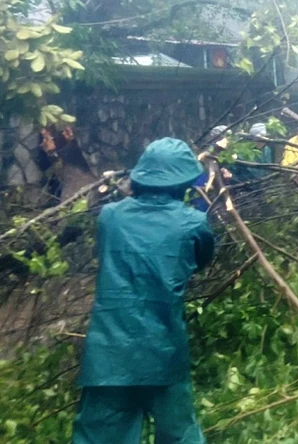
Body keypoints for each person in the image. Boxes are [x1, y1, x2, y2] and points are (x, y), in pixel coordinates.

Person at [73, 138, 215, 443]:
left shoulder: (110, 216)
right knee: (180, 435)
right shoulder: (194, 222)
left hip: (109, 353)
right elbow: (201, 260)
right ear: (186, 183)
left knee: (99, 436)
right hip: (163, 350)